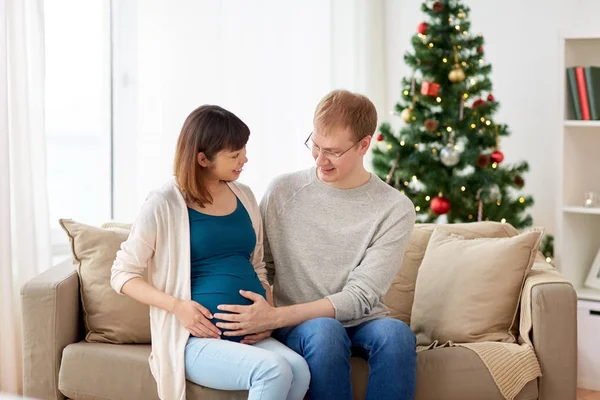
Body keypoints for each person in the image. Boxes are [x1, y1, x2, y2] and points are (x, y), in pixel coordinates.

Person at [212, 90, 417, 400]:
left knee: (397, 334)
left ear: (364, 145)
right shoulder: (283, 190)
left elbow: (361, 296)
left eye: (332, 151)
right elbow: (260, 263)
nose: (320, 160)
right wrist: (266, 309)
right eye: (315, 146)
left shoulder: (394, 207)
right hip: (303, 327)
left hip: (360, 321)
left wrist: (275, 317)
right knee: (324, 331)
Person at [110, 105, 310, 400]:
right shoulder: (164, 203)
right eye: (235, 154)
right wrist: (178, 306)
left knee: (300, 369)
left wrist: (266, 310)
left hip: (251, 333)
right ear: (202, 158)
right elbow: (121, 273)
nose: (245, 159)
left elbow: (255, 264)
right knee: (274, 370)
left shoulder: (244, 195)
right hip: (195, 339)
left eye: (244, 150)